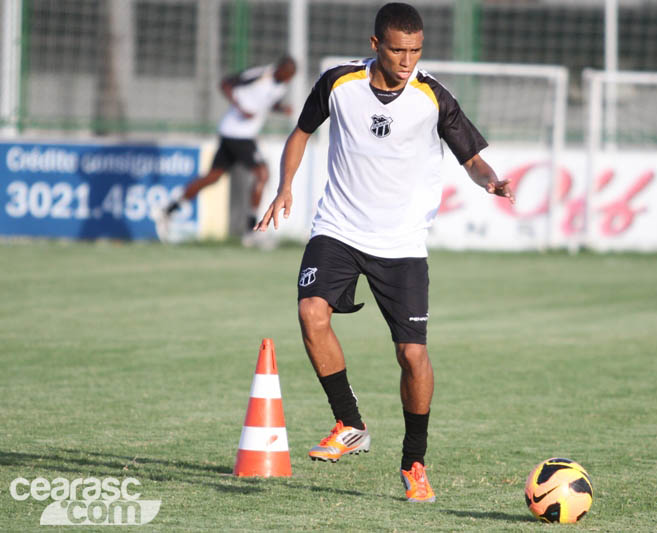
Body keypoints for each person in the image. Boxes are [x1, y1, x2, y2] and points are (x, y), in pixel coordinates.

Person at [254, 3, 514, 503]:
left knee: (412, 355)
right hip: (339, 229)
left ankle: (414, 462)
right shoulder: (338, 83)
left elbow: (472, 159)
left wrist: (491, 182)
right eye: (398, 49)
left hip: (402, 244)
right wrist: (285, 186)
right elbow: (301, 132)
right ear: (375, 45)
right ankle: (349, 424)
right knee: (311, 313)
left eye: (416, 50)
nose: (407, 59)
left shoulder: (432, 96)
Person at [154, 56, 296, 244]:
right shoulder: (261, 74)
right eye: (287, 75)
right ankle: (251, 230)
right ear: (280, 69)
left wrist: (281, 109)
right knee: (262, 174)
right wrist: (240, 107)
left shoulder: (281, 87)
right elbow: (226, 84)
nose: (288, 80)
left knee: (212, 177)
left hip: (238, 134)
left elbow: (265, 102)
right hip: (237, 133)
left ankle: (168, 210)